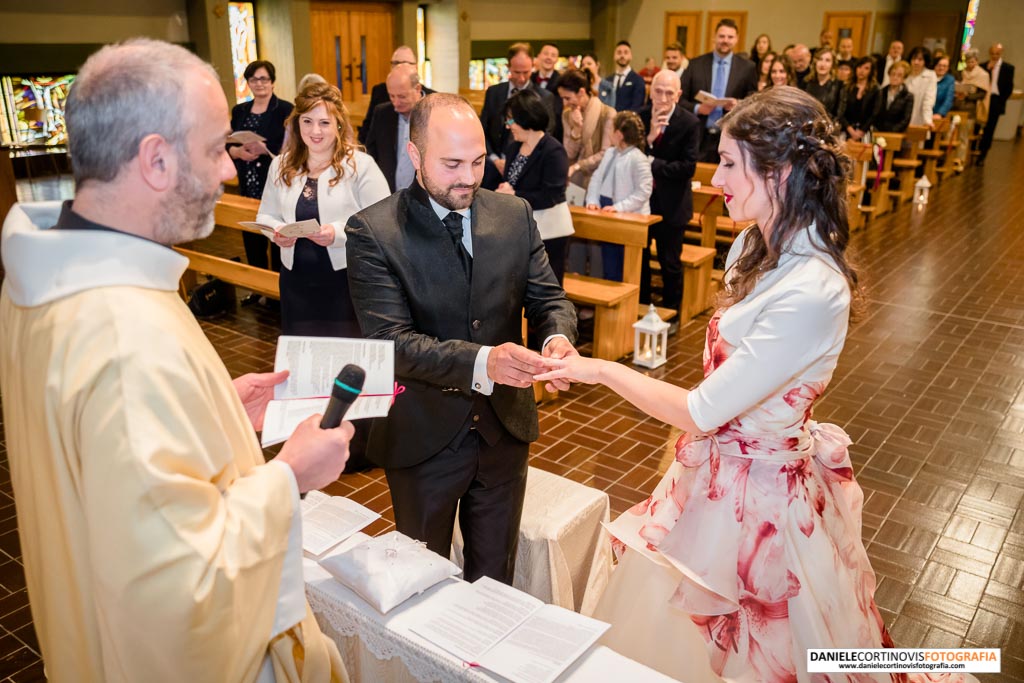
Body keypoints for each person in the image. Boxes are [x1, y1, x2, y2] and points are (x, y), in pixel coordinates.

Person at [535, 85, 977, 683]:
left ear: (783, 173)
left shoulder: (814, 290)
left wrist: (598, 367)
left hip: (764, 503)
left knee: (758, 647)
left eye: (732, 163)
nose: (717, 178)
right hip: (713, 476)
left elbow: (702, 409)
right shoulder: (751, 244)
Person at [0, 38, 354, 682]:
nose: (227, 170)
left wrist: (213, 412)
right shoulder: (122, 337)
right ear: (156, 160)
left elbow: (113, 476)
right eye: (217, 147)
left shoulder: (47, 270)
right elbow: (181, 591)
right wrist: (291, 476)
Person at [345, 93, 578, 584]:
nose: (469, 178)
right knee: (421, 580)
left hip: (504, 431)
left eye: (476, 161)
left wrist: (557, 337)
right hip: (421, 435)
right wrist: (483, 362)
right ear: (415, 156)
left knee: (495, 578)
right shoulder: (374, 230)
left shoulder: (513, 215)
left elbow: (548, 300)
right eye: (451, 164)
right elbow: (391, 341)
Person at [257, 82, 390, 337]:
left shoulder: (359, 165)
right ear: (297, 123)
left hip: (345, 280)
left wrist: (337, 233)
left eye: (324, 123)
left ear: (339, 124)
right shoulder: (281, 165)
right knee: (303, 353)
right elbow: (265, 214)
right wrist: (276, 231)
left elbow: (383, 221)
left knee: (345, 353)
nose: (315, 131)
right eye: (307, 121)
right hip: (295, 279)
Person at [229, 59, 294, 299]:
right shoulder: (240, 111)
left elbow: (290, 147)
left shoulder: (285, 109)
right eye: (254, 79)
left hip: (274, 180)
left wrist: (263, 148)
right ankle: (257, 288)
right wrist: (237, 152)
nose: (259, 84)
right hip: (248, 180)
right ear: (248, 83)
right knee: (251, 235)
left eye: (264, 79)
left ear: (273, 81)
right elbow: (230, 143)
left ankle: (278, 290)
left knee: (276, 235)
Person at [496, 90, 573, 284]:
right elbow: (511, 183)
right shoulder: (513, 148)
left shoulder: (553, 150)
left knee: (547, 289)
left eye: (511, 121)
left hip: (550, 230)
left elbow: (551, 195)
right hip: (521, 228)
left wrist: (514, 194)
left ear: (526, 117)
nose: (507, 126)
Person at [640, 70, 700, 312]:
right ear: (650, 91)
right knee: (641, 260)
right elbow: (631, 154)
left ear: (678, 95)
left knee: (670, 263)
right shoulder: (640, 116)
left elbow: (688, 167)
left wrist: (651, 161)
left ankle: (673, 312)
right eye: (658, 91)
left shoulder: (689, 123)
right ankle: (641, 306)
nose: (662, 98)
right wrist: (650, 138)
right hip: (643, 202)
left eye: (669, 93)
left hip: (672, 204)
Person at [584, 111, 653, 282]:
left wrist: (619, 207)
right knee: (609, 262)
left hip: (628, 214)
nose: (609, 133)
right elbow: (597, 177)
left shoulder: (638, 158)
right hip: (607, 208)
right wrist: (592, 200)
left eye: (611, 130)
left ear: (619, 134)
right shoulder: (610, 153)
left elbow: (644, 191)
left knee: (624, 266)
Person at [681, 18, 758, 162]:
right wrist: (698, 108)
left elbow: (754, 100)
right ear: (714, 37)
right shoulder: (695, 64)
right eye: (722, 36)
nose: (725, 40)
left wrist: (738, 105)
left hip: (731, 135)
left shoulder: (748, 68)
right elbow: (680, 98)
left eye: (730, 37)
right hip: (698, 135)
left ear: (736, 39)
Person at [480, 43, 560, 173]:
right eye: (517, 72)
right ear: (508, 67)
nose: (522, 78)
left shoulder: (544, 97)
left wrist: (518, 159)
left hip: (528, 167)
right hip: (493, 164)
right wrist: (494, 159)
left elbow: (546, 135)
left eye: (526, 72)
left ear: (533, 66)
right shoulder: (493, 92)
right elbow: (483, 129)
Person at [364, 64, 425, 191]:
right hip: (388, 193)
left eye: (402, 96)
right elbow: (371, 151)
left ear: (417, 89)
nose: (396, 103)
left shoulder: (434, 113)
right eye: (392, 96)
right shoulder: (382, 113)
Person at [358, 45, 435, 144]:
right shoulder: (380, 96)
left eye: (406, 63)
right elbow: (367, 134)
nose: (396, 103)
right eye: (395, 63)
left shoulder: (434, 100)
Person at [558, 68, 616, 189]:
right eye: (562, 98)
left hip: (601, 180)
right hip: (574, 181)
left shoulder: (607, 113)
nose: (564, 103)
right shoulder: (567, 115)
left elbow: (606, 154)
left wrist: (579, 166)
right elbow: (569, 154)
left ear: (581, 92)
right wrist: (577, 129)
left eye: (567, 98)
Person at [978, 42, 1015, 166]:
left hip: (996, 100)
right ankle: (974, 150)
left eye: (997, 54)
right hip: (983, 99)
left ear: (1001, 53)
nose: (994, 56)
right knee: (977, 125)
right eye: (993, 53)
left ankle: (983, 154)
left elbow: (1008, 88)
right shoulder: (983, 66)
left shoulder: (1008, 68)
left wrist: (1001, 100)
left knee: (989, 129)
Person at [838, 56, 880, 141]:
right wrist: (850, 130)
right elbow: (841, 112)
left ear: (871, 71)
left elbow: (874, 114)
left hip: (865, 131)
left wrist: (861, 131)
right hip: (846, 130)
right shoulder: (846, 87)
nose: (862, 71)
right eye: (860, 67)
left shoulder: (875, 90)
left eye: (866, 68)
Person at [606, 41, 647, 112]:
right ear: (614, 56)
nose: (622, 56)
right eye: (619, 52)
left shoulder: (638, 80)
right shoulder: (607, 80)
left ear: (631, 56)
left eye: (626, 52)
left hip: (628, 120)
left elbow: (637, 106)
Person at [875, 60, 914, 132]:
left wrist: (892, 131)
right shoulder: (880, 92)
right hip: (878, 131)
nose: (895, 77)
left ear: (904, 78)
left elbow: (905, 119)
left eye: (899, 75)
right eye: (893, 74)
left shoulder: (908, 96)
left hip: (896, 133)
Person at [803, 47, 841, 119]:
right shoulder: (806, 82)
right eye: (820, 59)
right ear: (815, 62)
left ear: (832, 64)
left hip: (829, 126)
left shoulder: (839, 85)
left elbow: (839, 114)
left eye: (827, 60)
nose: (823, 64)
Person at [905, 46, 938, 128]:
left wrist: (928, 120)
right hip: (902, 117)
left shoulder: (930, 75)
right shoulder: (906, 73)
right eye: (914, 59)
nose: (916, 62)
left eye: (920, 60)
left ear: (925, 61)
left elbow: (929, 100)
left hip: (919, 117)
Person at [933, 54, 955, 122]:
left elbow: (948, 99)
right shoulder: (928, 76)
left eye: (944, 66)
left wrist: (940, 113)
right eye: (939, 65)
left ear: (948, 68)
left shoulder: (950, 80)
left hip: (937, 114)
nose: (941, 68)